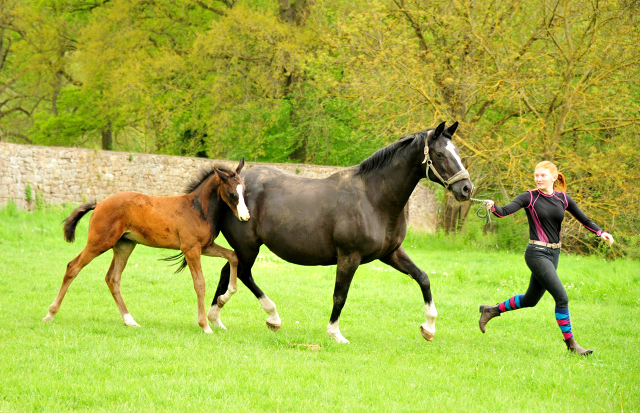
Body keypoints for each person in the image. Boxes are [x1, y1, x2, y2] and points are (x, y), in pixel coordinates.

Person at [478, 161, 614, 355]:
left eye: (542, 175)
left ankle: (491, 310)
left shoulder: (563, 199)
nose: (538, 179)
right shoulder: (529, 197)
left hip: (554, 253)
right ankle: (572, 345)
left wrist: (601, 233)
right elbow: (504, 211)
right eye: (536, 175)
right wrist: (493, 207)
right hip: (536, 253)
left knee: (531, 299)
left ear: (554, 176)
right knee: (561, 297)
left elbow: (584, 219)